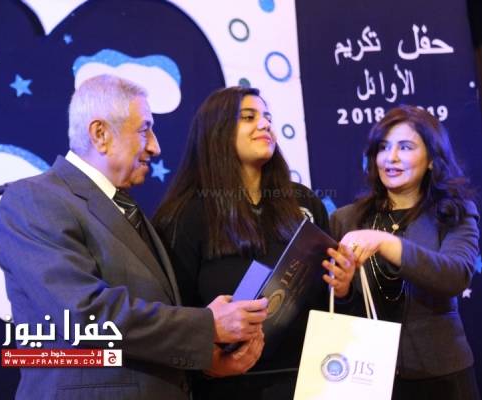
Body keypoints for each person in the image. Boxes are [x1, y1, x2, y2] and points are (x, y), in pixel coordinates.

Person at [0, 75, 269, 400]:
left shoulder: (125, 207)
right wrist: (207, 325)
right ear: (100, 134)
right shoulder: (35, 199)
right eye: (144, 130)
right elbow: (84, 314)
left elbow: (145, 330)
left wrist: (205, 362)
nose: (155, 146)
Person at [152, 86, 354, 399]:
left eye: (267, 117)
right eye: (249, 117)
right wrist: (208, 362)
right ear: (217, 131)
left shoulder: (303, 202)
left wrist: (341, 289)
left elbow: (329, 302)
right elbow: (173, 315)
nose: (265, 124)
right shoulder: (184, 215)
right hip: (229, 387)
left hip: (313, 380)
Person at [330, 105, 481, 400]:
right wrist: (343, 290)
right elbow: (332, 305)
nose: (392, 157)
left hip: (441, 377)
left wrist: (386, 243)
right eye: (383, 147)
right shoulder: (346, 220)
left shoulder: (454, 212)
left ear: (431, 160)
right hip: (366, 375)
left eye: (406, 147)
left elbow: (455, 276)